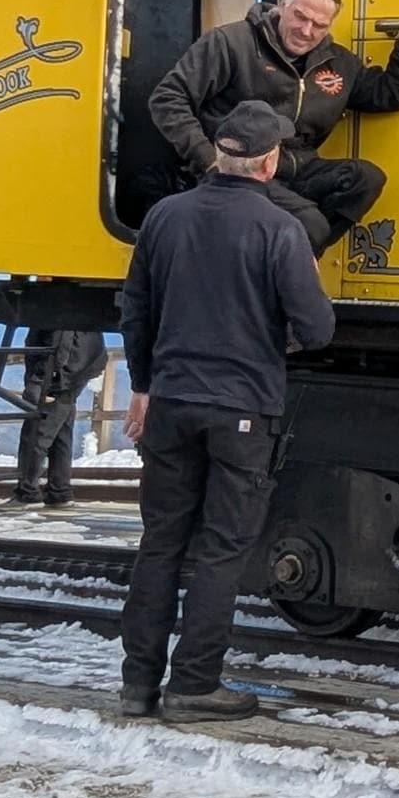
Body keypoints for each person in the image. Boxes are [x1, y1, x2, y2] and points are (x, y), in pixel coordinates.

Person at [118, 100, 337, 720]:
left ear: (219, 155)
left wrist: (144, 383)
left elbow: (135, 310)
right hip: (241, 408)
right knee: (220, 549)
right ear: (269, 163)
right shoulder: (279, 230)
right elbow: (317, 329)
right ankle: (194, 686)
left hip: (171, 402)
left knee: (161, 542)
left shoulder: (164, 217)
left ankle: (138, 686)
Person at [147, 0, 399, 253]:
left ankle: (281, 260)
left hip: (298, 167)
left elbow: (390, 94)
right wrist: (207, 158)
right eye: (300, 16)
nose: (306, 31)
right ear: (282, 5)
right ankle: (287, 268)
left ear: (330, 25)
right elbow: (167, 98)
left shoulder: (339, 63)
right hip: (238, 170)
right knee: (312, 226)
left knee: (366, 179)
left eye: (319, 25)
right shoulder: (231, 42)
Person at [5, 327, 107, 508]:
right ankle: (59, 491)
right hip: (79, 366)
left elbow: (63, 331)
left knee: (37, 431)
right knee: (61, 431)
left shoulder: (60, 312)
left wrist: (49, 374)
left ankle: (27, 492)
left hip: (60, 370)